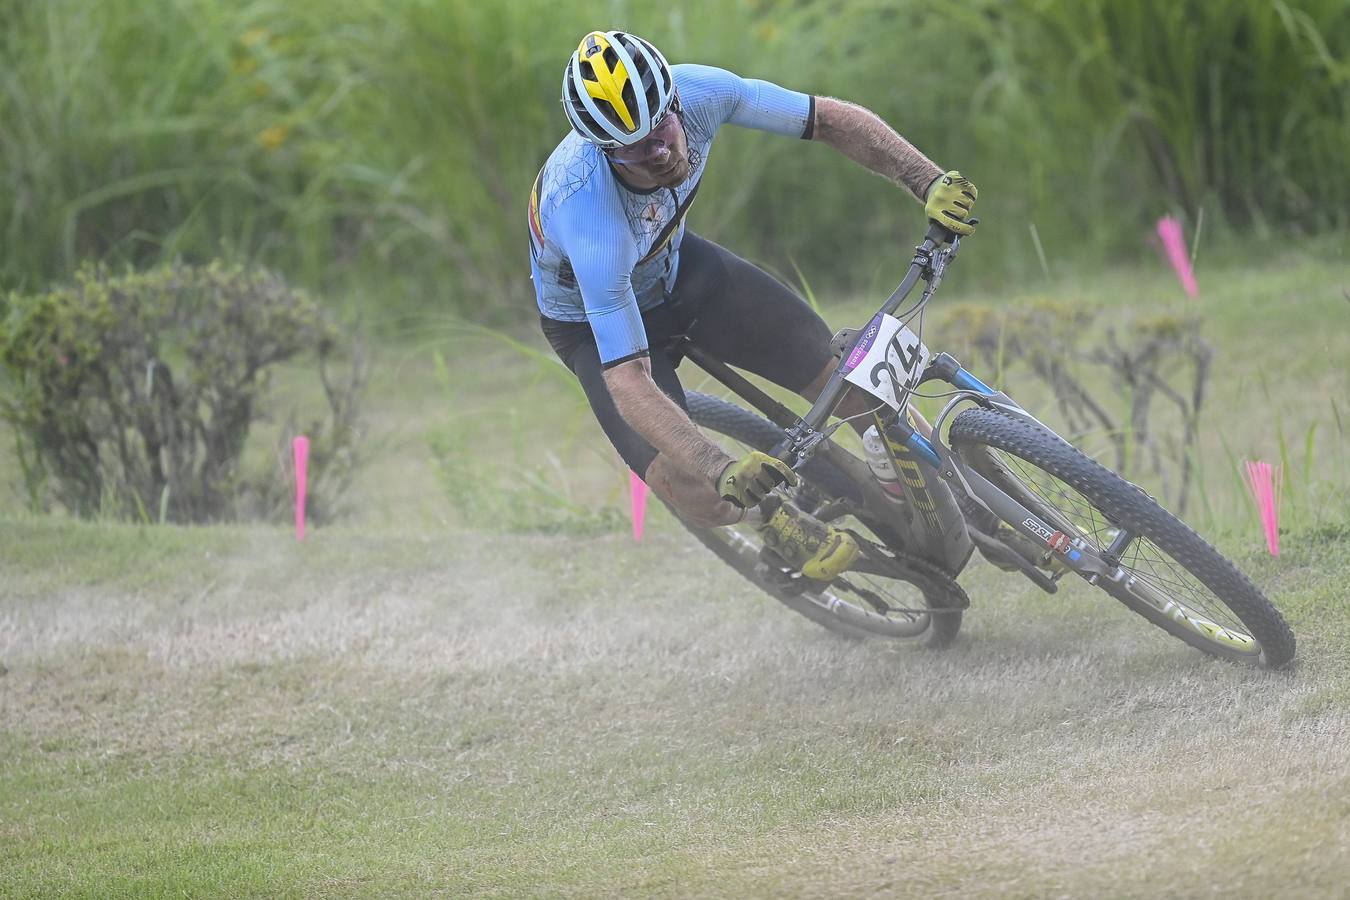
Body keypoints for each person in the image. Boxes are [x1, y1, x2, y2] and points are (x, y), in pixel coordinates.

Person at [529, 30, 977, 581]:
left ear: (673, 99)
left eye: (661, 129)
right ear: (604, 150)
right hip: (590, 325)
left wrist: (924, 179)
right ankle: (769, 518)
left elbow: (828, 119)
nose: (660, 150)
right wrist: (718, 468)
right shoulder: (590, 217)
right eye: (635, 148)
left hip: (674, 268)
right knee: (693, 485)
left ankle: (910, 487)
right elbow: (628, 380)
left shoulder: (700, 92)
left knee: (847, 383)